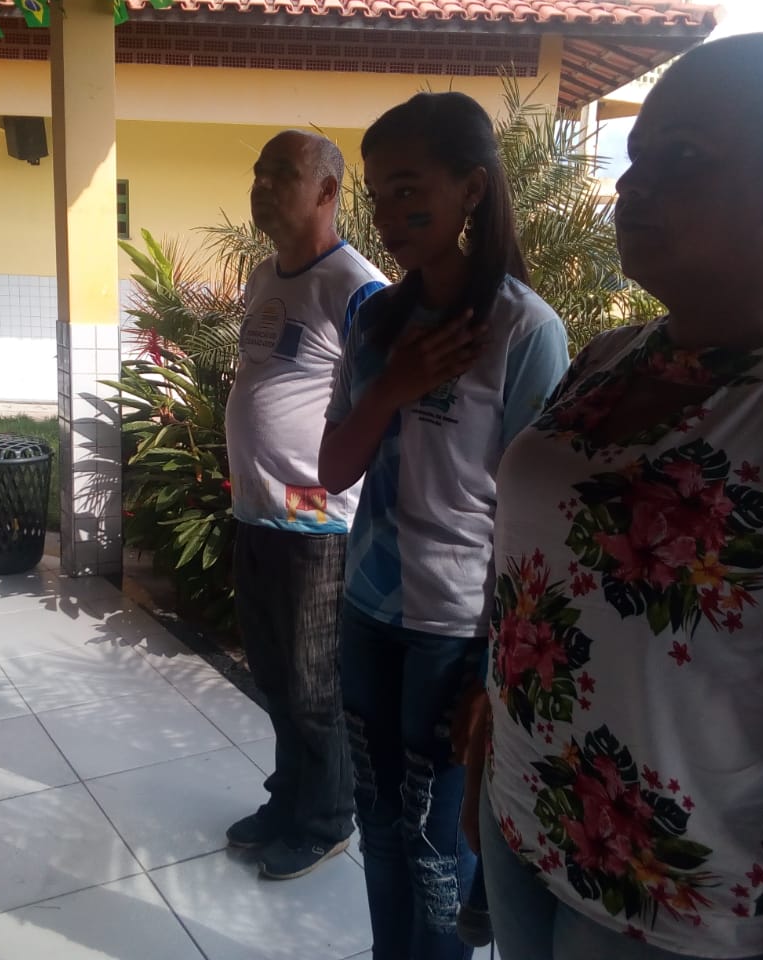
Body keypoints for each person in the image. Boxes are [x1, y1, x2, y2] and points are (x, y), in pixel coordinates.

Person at [470, 33, 763, 960]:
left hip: (675, 914)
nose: (631, 185)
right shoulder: (610, 359)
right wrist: (492, 725)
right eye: (638, 156)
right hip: (520, 823)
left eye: (681, 158)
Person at [319, 92, 569, 959]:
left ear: (471, 189)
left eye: (408, 191)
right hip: (368, 612)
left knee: (436, 843)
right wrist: (392, 387)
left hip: (457, 632)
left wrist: (500, 668)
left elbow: (538, 525)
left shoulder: (524, 331)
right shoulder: (373, 321)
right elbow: (332, 470)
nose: (389, 217)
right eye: (378, 196)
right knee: (379, 821)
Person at [226, 130, 387, 881]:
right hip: (255, 513)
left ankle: (326, 820)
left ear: (327, 191)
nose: (261, 185)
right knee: (273, 676)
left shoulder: (358, 289)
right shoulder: (265, 275)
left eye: (280, 174)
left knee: (313, 685)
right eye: (257, 172)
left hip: (319, 526)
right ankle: (289, 797)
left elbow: (381, 412)